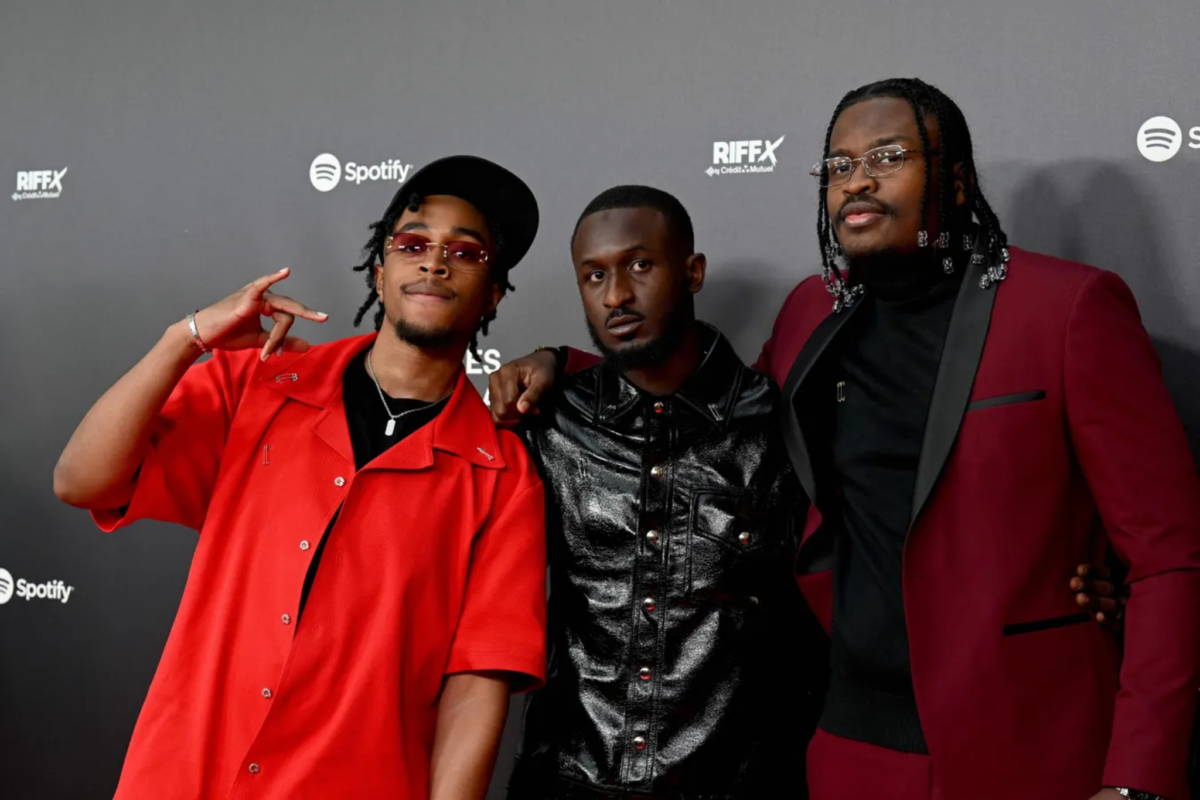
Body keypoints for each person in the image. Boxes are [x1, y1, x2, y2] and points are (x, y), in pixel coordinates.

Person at [491, 78, 1200, 800]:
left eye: (887, 156)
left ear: (954, 180)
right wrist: (565, 367)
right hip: (845, 748)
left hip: (1024, 739)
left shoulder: (1069, 307)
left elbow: (1169, 558)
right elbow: (711, 410)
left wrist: (1137, 780)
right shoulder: (811, 312)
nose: (857, 180)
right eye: (836, 165)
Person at [53, 155, 548, 800]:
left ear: (494, 294)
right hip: (183, 776)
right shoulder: (256, 384)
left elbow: (476, 687)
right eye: (413, 243)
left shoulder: (503, 477)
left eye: (466, 251)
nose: (434, 261)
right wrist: (187, 338)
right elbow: (80, 481)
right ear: (380, 268)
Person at [498, 185, 822, 799]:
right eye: (594, 276)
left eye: (639, 266)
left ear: (693, 271)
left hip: (738, 783)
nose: (616, 296)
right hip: (568, 781)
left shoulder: (778, 427)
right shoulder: (546, 422)